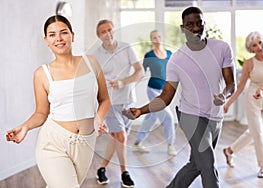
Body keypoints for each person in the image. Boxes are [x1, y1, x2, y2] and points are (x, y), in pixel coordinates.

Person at [123, 6, 235, 188]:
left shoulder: (221, 48)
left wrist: (223, 95)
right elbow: (166, 96)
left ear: (204, 24)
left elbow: (231, 84)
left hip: (215, 115)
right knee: (208, 164)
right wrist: (141, 111)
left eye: (199, 23)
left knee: (196, 164)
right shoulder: (177, 59)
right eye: (190, 24)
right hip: (190, 115)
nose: (196, 28)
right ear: (183, 28)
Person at [5, 15, 111, 188]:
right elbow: (41, 113)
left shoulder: (91, 62)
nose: (59, 38)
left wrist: (98, 119)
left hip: (86, 142)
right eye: (52, 34)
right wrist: (25, 126)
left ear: (72, 35)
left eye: (64, 32)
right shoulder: (42, 74)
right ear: (46, 40)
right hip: (53, 143)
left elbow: (105, 99)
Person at [90, 19, 144, 187]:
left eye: (110, 30)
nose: (108, 34)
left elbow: (140, 72)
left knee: (116, 139)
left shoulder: (126, 47)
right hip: (109, 102)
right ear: (99, 36)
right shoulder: (95, 55)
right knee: (121, 136)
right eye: (103, 32)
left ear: (114, 30)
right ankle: (124, 173)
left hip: (128, 100)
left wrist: (123, 82)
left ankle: (102, 169)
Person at [223, 31, 263, 178]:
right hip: (252, 97)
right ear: (251, 48)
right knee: (259, 132)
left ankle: (230, 150)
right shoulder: (249, 63)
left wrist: (262, 89)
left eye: (260, 42)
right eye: (254, 45)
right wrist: (228, 103)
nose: (259, 47)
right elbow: (241, 86)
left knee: (254, 131)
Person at [132, 29, 177, 156]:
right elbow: (141, 72)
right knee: (168, 116)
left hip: (166, 90)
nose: (156, 39)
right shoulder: (149, 55)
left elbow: (173, 71)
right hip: (152, 90)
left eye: (158, 36)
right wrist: (130, 85)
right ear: (151, 40)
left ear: (162, 38)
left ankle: (137, 143)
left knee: (151, 116)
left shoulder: (169, 54)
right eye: (154, 37)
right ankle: (171, 145)